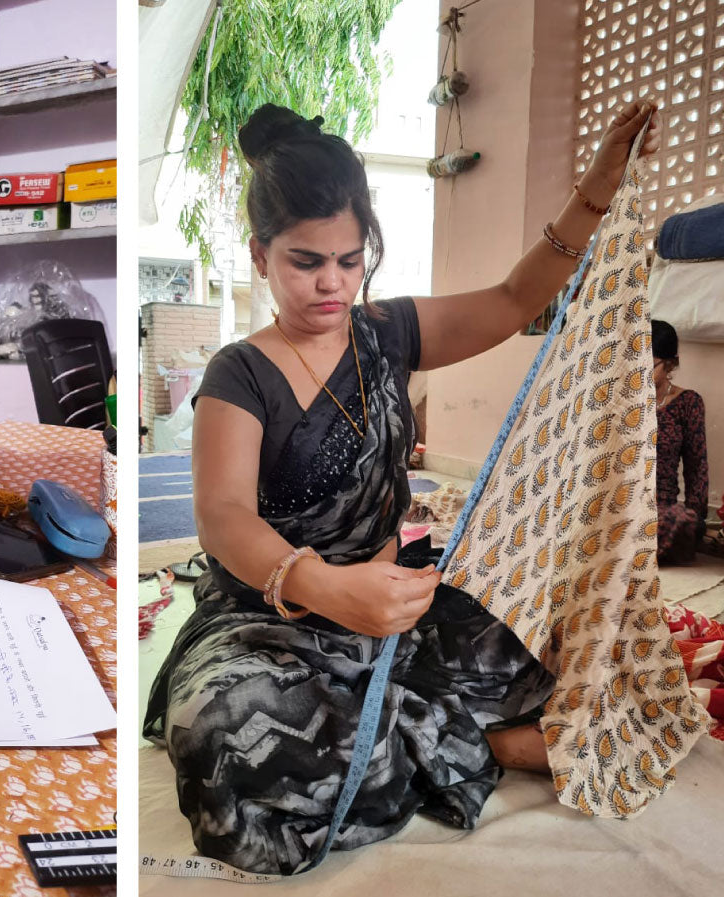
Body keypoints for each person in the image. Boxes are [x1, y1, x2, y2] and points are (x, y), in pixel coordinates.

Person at [144, 101, 662, 875]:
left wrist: (592, 192)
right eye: (304, 260)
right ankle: (478, 743)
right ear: (259, 254)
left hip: (397, 607)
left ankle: (404, 726)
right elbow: (221, 518)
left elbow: (517, 299)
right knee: (223, 734)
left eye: (349, 260)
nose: (331, 283)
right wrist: (322, 584)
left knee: (558, 639)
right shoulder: (239, 372)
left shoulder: (385, 333)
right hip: (270, 618)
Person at [652, 319, 709, 563]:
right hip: (623, 505)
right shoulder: (621, 400)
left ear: (670, 364)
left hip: (662, 510)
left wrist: (695, 520)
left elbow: (697, 468)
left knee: (678, 521)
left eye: (649, 366)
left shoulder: (688, 403)